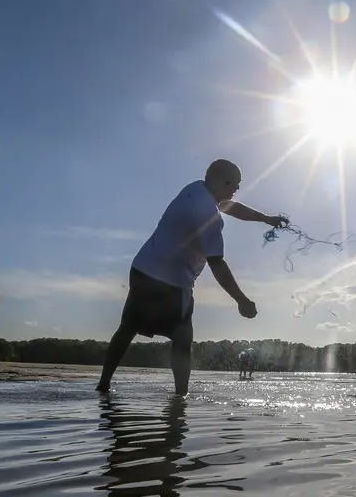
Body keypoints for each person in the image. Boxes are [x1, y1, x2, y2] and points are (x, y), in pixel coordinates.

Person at [96, 159, 286, 395]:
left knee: (128, 328)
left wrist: (265, 218)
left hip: (144, 268)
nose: (236, 189)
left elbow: (230, 206)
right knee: (182, 340)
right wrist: (242, 300)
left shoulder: (194, 188)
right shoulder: (208, 216)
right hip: (174, 282)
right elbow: (218, 265)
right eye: (233, 184)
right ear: (219, 179)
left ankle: (103, 385)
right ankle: (180, 399)